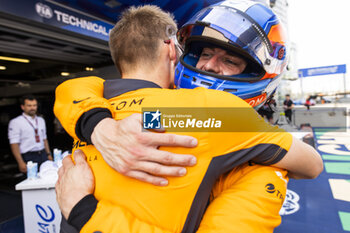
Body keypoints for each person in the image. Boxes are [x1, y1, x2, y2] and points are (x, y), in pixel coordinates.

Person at [55, 3, 323, 233]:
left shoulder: (97, 103)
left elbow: (77, 89)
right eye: (205, 54)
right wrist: (84, 212)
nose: (207, 65)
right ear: (174, 50)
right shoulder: (210, 112)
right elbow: (312, 164)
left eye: (230, 61)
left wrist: (98, 126)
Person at [8, 95, 52, 173]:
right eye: (29, 105)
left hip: (43, 154)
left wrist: (48, 154)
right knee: (32, 182)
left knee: (48, 177)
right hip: (28, 156)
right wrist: (20, 162)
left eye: (34, 105)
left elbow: (44, 139)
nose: (32, 108)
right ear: (22, 107)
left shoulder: (41, 120)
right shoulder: (16, 122)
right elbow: (14, 144)